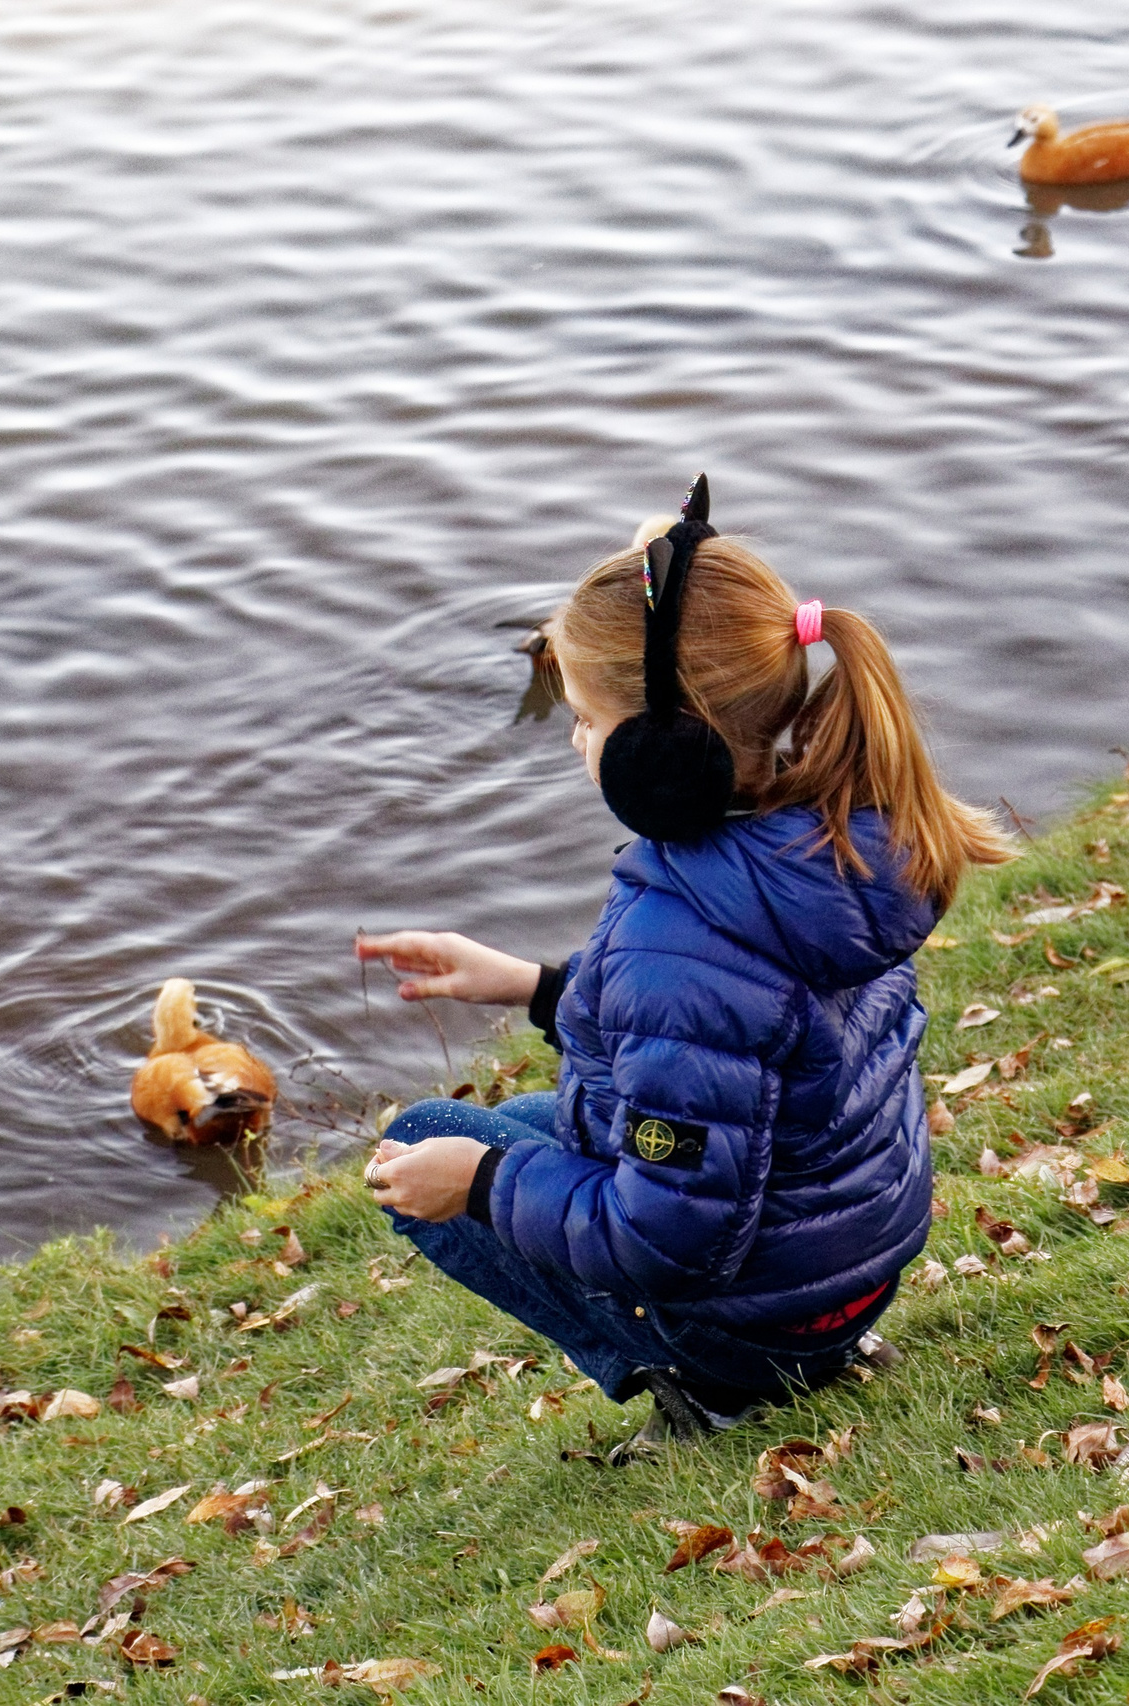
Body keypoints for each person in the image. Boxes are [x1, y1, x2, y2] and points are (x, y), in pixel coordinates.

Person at [355, 478, 1012, 1461]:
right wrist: (531, 985)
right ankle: (784, 1354)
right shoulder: (828, 844)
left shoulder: (683, 922)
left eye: (584, 717)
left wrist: (485, 1184)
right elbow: (734, 1026)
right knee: (542, 1125)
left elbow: (665, 1232)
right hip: (846, 1264)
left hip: (760, 1312)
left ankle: (711, 1391)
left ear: (664, 750)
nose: (574, 736)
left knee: (429, 1139)